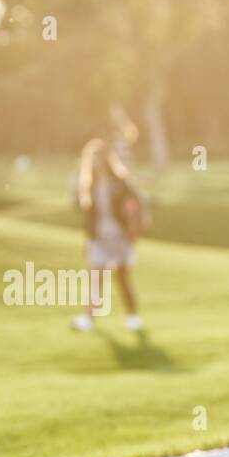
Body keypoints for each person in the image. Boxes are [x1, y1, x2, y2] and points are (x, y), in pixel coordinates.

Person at [73, 138, 146, 332]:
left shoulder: (119, 183)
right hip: (99, 238)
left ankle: (132, 316)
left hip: (119, 236)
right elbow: (89, 218)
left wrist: (133, 226)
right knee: (96, 278)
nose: (97, 161)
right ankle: (88, 317)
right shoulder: (89, 186)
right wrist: (88, 241)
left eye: (100, 156)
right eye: (93, 157)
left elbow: (133, 203)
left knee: (122, 277)